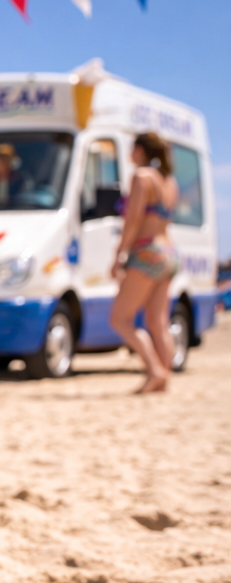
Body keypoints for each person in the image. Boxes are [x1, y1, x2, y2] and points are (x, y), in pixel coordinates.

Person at [109, 132, 180, 394]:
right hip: (169, 251)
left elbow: (134, 219)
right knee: (157, 320)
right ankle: (163, 378)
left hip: (147, 251)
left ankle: (155, 370)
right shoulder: (168, 182)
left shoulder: (142, 177)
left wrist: (120, 254)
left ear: (139, 150)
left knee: (120, 319)